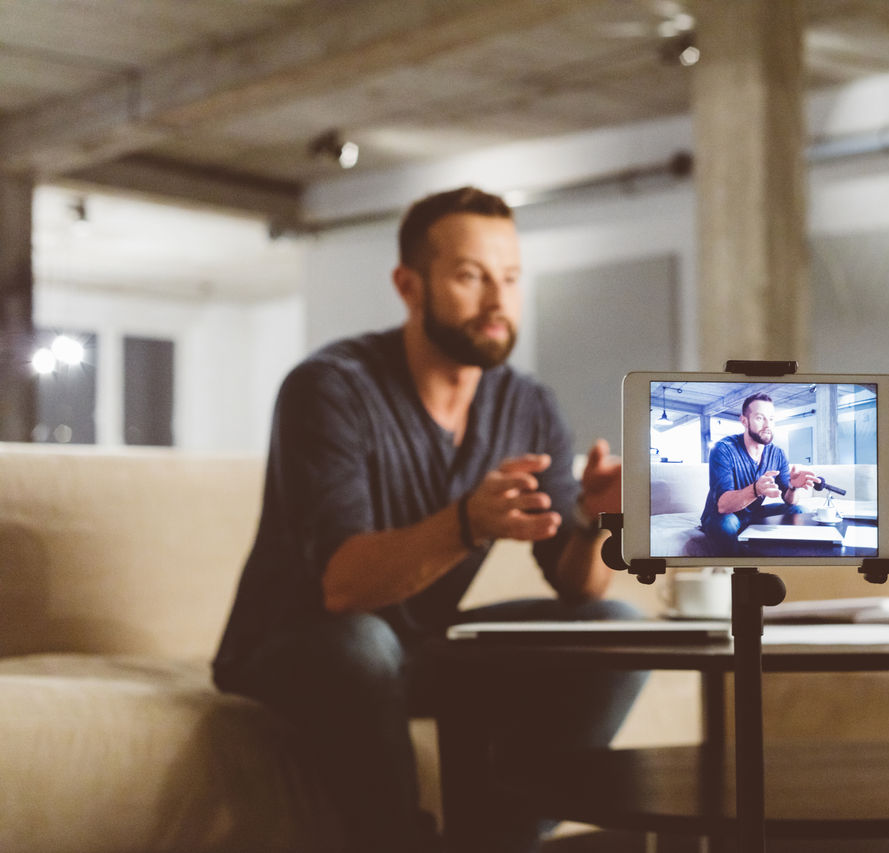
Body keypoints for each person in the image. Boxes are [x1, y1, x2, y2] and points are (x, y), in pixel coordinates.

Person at [212, 186, 646, 853]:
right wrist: (468, 522)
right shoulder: (328, 387)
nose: (499, 302)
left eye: (510, 278)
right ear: (409, 285)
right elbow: (342, 588)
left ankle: (498, 838)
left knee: (617, 628)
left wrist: (593, 518)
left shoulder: (526, 403)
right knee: (361, 642)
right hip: (297, 644)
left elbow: (576, 586)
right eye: (471, 277)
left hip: (421, 643)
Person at [700, 393, 821, 551]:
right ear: (744, 421)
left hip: (753, 513)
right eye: (760, 418)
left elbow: (790, 501)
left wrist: (793, 487)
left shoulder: (777, 454)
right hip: (722, 516)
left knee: (800, 511)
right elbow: (723, 506)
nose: (767, 425)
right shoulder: (723, 449)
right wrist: (756, 489)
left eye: (771, 419)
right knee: (726, 524)